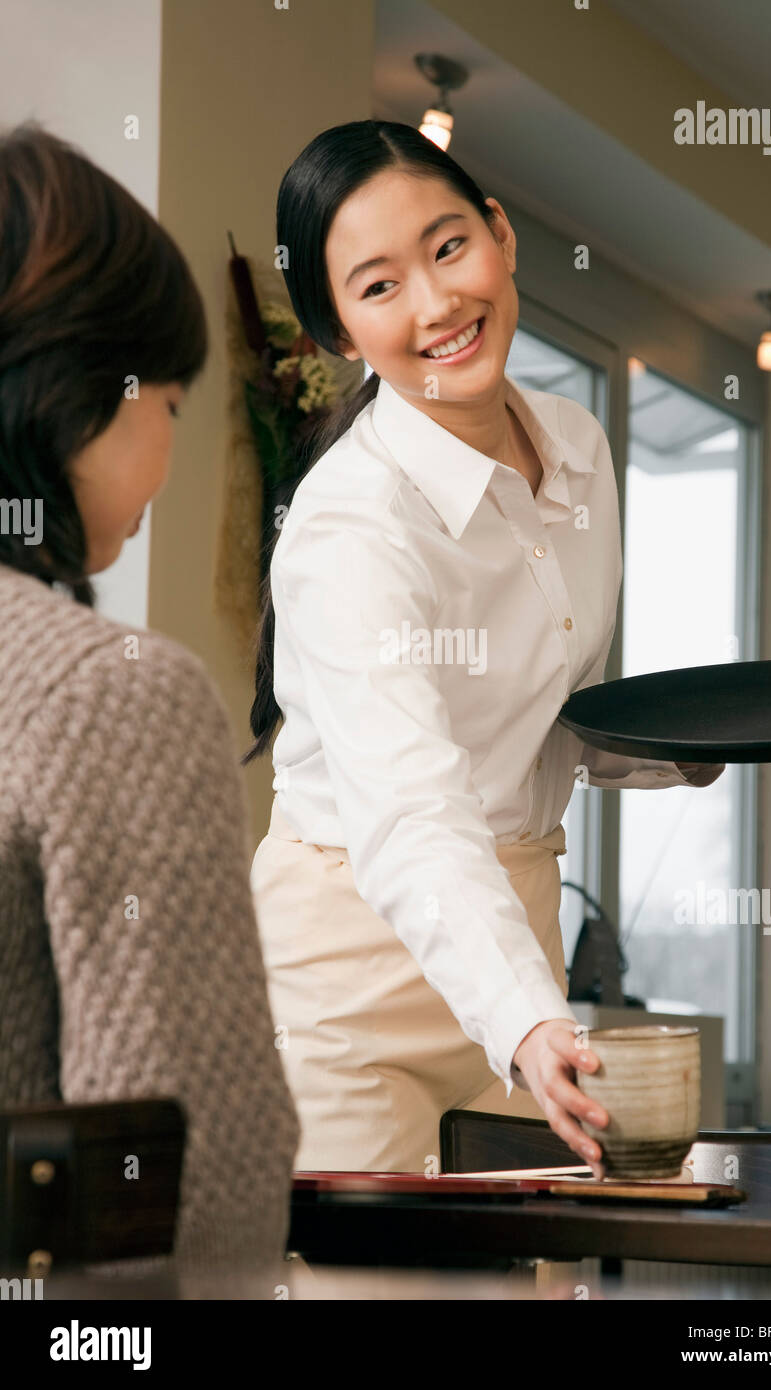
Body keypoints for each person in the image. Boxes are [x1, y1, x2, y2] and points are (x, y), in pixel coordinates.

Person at [247, 119, 724, 1175]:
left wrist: (695, 742)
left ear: (499, 237)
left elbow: (545, 717)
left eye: (448, 246)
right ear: (338, 336)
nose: (434, 303)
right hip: (348, 980)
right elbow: (412, 812)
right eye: (377, 287)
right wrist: (521, 1019)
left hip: (519, 935)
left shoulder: (579, 449)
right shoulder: (351, 528)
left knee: (529, 1282)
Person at [0, 122, 299, 1273]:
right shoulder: (108, 697)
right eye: (168, 404)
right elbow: (186, 1174)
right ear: (72, 392)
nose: (171, 458)